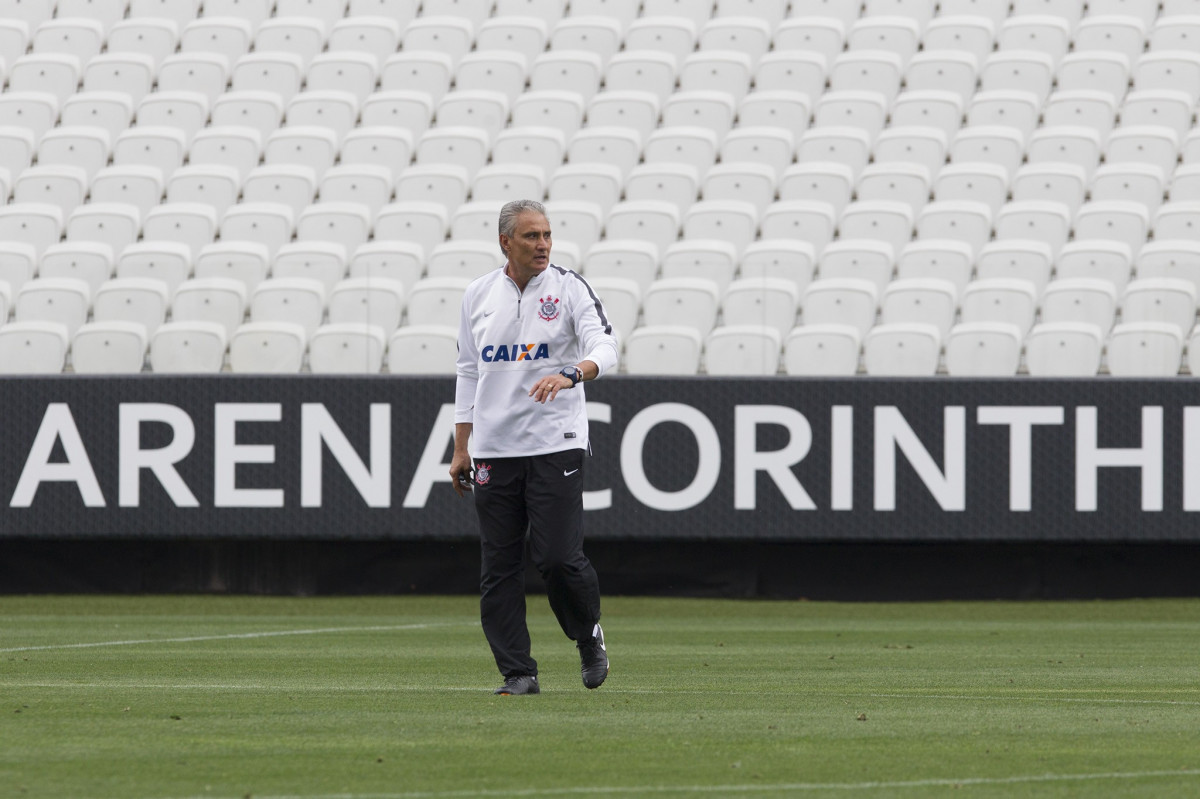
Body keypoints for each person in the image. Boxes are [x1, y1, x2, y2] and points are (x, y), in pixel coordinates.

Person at [450, 199, 620, 696]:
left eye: (546, 235)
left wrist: (573, 373)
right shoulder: (477, 294)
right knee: (498, 567)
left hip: (555, 443)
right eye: (531, 236)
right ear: (505, 242)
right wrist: (463, 446)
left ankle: (587, 635)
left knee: (557, 559)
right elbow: (467, 370)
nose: (543, 244)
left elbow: (605, 346)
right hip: (495, 449)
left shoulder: (569, 288)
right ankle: (518, 672)